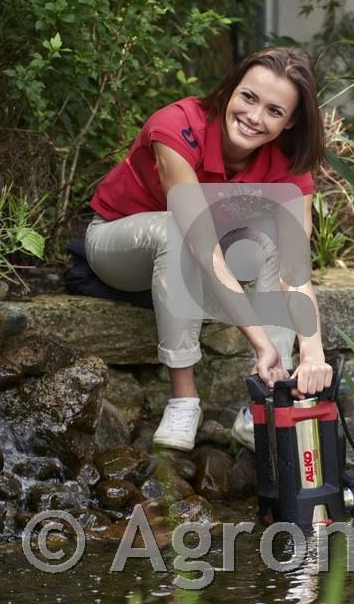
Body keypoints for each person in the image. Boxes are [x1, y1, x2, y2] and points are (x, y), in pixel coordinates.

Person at [85, 46, 333, 451]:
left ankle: (269, 396)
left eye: (274, 111)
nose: (254, 117)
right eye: (248, 97)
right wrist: (258, 339)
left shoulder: (289, 163)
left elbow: (294, 266)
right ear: (231, 90)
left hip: (209, 254)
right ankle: (184, 399)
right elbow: (197, 238)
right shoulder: (177, 126)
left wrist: (313, 352)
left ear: (289, 123)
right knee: (178, 227)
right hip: (118, 244)